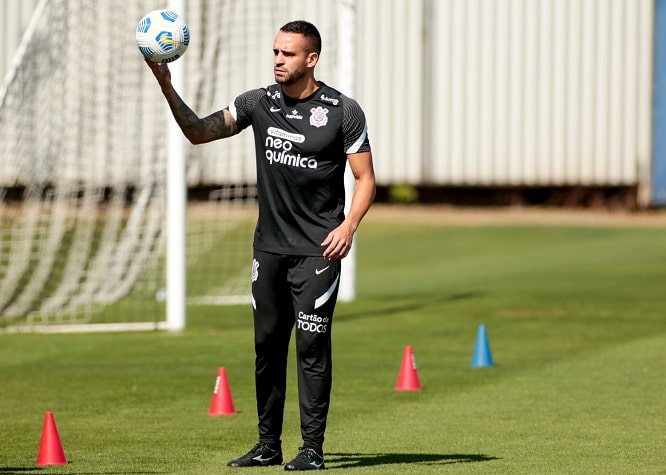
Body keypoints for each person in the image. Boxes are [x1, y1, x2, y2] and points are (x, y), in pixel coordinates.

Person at [145, 20, 375, 471]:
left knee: (311, 346)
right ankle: (268, 445)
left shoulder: (343, 111)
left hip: (318, 250)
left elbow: (366, 179)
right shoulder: (257, 102)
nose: (277, 60)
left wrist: (348, 227)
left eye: (287, 54)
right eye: (275, 52)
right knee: (267, 346)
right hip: (268, 248)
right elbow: (198, 131)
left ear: (311, 59)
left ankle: (312, 449)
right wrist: (166, 85)